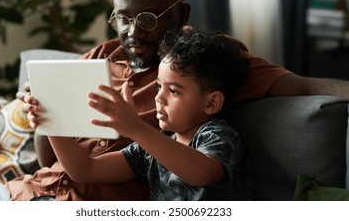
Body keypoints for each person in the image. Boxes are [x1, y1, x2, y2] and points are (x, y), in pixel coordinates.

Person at [0, 0, 348, 201]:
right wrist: (47, 113)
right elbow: (60, 161)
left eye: (147, 19)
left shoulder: (199, 62)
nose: (132, 32)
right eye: (123, 18)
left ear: (181, 13)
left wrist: (135, 126)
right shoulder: (103, 55)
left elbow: (302, 86)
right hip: (32, 189)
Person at [47, 28, 253, 200]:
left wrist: (136, 129)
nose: (159, 98)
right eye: (159, 87)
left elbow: (202, 172)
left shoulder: (217, 135)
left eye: (173, 91)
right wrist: (50, 121)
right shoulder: (151, 148)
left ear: (212, 103)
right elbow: (85, 170)